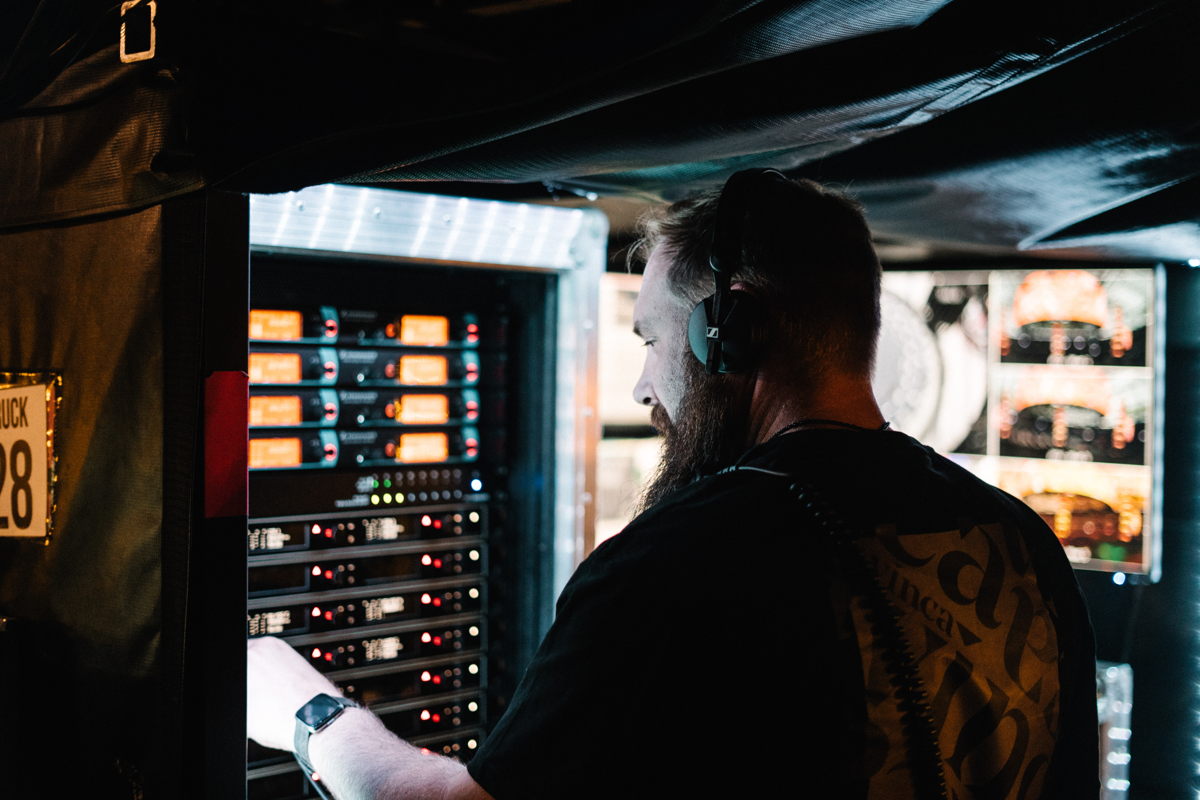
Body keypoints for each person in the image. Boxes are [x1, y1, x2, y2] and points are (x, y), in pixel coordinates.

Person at [247, 170, 1100, 799]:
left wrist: (307, 713)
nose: (641, 387)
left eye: (651, 340)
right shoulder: (1020, 538)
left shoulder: (677, 568)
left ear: (730, 330)